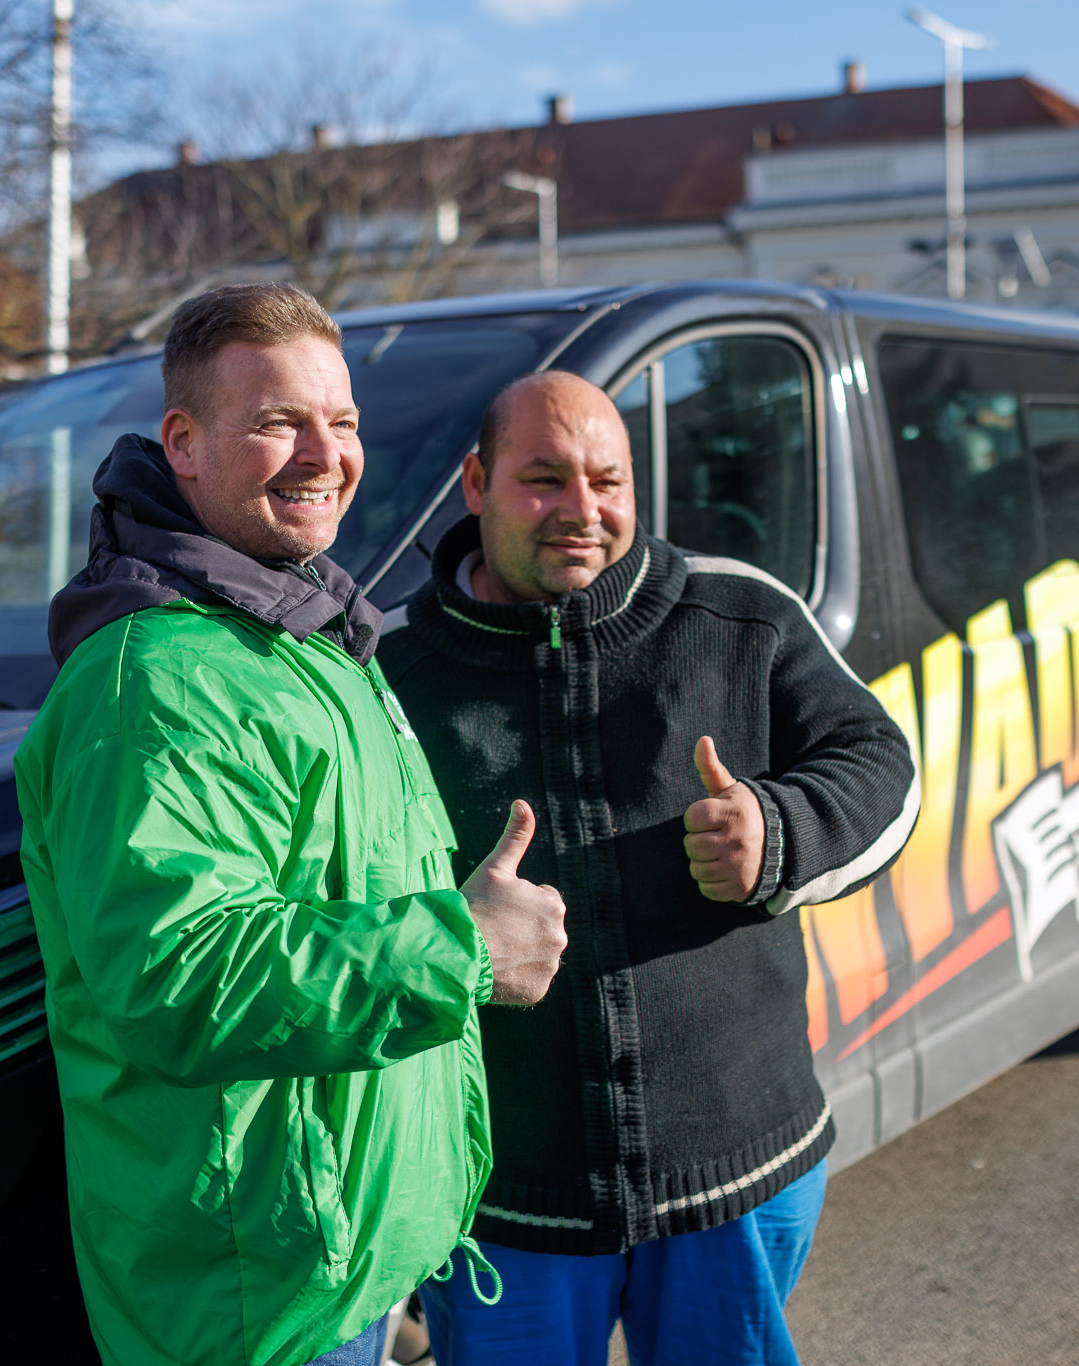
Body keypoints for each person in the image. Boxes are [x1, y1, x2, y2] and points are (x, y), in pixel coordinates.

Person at [14, 284, 568, 1366]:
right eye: (278, 422)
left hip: (335, 1262)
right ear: (183, 443)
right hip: (260, 1303)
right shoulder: (158, 679)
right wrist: (461, 946)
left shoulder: (291, 626)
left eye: (342, 421)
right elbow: (179, 977)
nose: (326, 455)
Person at [382, 371, 920, 1365]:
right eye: (544, 479)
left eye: (607, 481)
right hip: (503, 1198)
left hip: (736, 1171)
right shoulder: (387, 670)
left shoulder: (738, 613)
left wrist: (779, 832)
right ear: (476, 483)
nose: (581, 510)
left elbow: (884, 766)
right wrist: (452, 930)